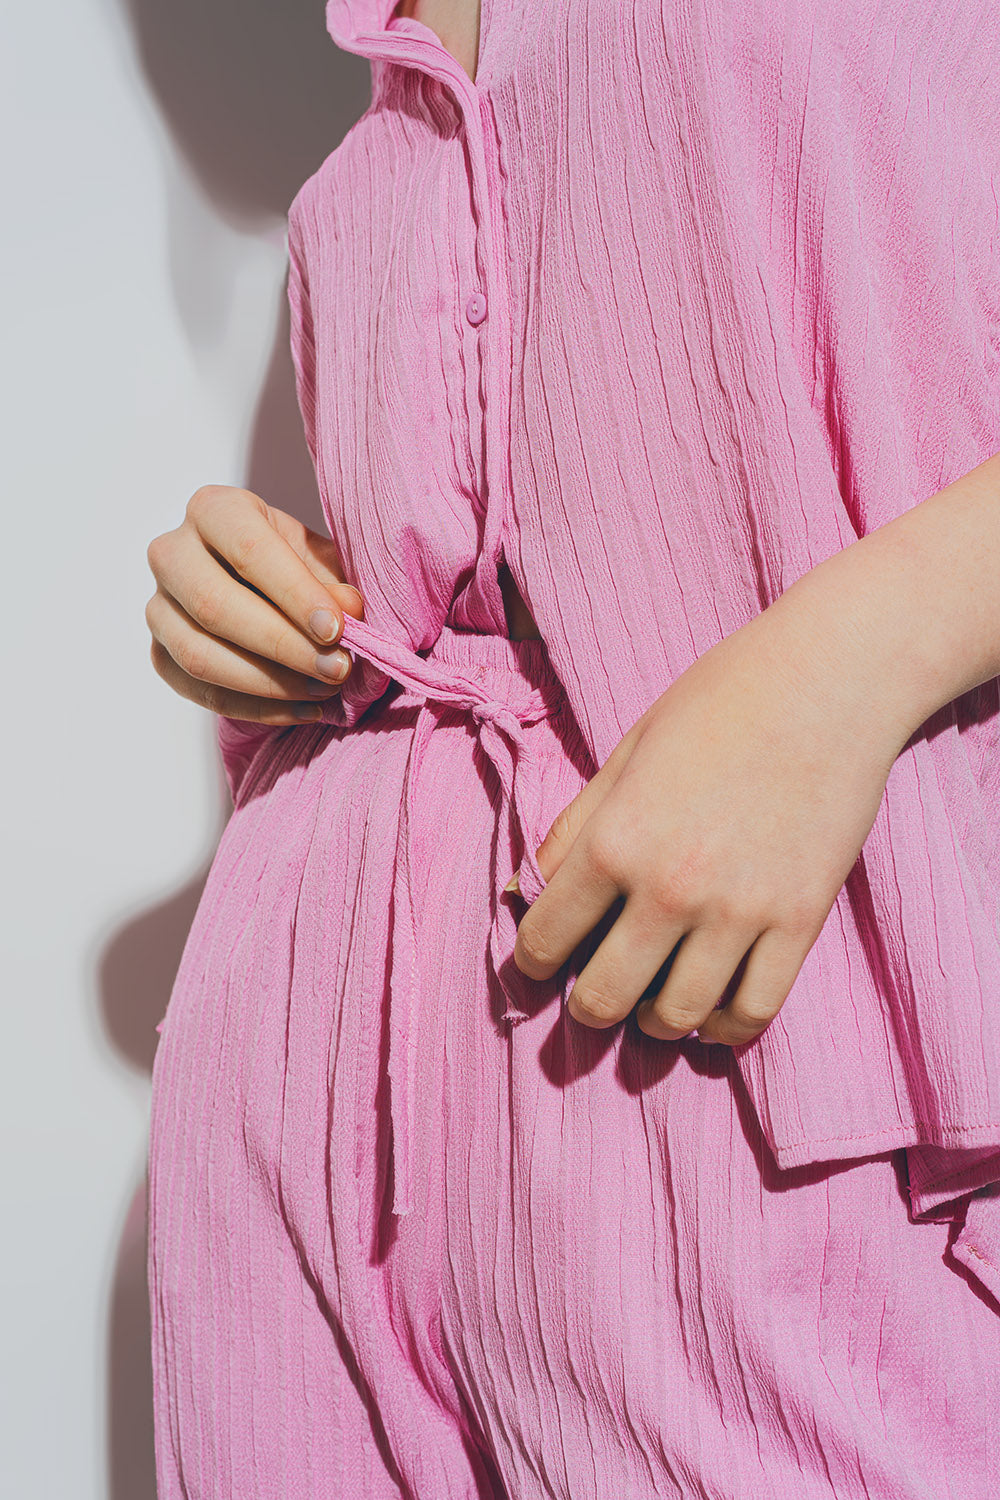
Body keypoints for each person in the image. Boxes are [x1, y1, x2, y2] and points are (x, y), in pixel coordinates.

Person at [144, 1, 1000, 1494]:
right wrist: (284, 622)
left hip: (757, 1073)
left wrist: (860, 654)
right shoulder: (363, 142)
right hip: (293, 1131)